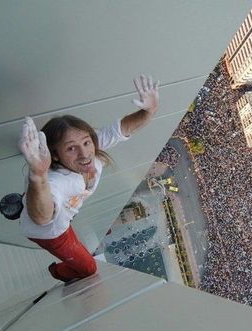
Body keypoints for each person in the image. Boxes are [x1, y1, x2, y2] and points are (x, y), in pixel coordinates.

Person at [18, 74, 159, 282]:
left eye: (86, 142)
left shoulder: (92, 149)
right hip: (51, 232)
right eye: (71, 148)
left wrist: (149, 111)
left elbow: (125, 127)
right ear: (55, 155)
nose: (84, 154)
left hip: (64, 215)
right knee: (89, 269)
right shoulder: (58, 180)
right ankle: (57, 271)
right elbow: (42, 218)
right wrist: (38, 177)